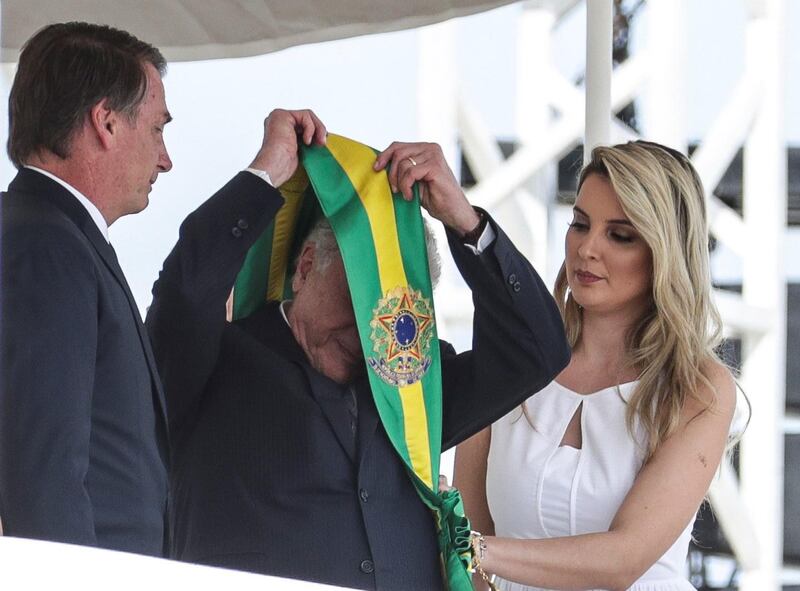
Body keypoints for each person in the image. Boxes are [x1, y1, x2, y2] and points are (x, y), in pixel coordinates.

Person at [145, 108, 570, 590]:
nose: (375, 322)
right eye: (362, 292)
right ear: (305, 267)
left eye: (395, 306)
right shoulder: (217, 360)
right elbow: (183, 293)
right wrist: (265, 175)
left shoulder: (414, 387)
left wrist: (466, 223)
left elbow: (538, 350)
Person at [454, 140, 738, 591]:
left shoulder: (698, 388)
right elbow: (466, 539)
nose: (587, 248)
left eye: (619, 235)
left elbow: (622, 559)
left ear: (664, 252)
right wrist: (469, 551)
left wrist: (476, 549)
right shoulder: (510, 358)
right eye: (580, 224)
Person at [0, 22, 172, 556]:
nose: (166, 159)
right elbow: (42, 471)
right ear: (107, 122)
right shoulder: (46, 246)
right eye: (158, 130)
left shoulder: (49, 236)